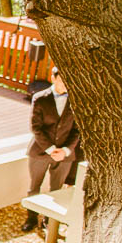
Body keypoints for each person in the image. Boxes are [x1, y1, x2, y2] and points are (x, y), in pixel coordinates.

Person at [24, 66, 80, 231]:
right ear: (54, 78)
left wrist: (65, 150)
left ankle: (49, 221)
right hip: (40, 151)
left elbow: (77, 130)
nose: (65, 84)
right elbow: (36, 127)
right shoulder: (40, 98)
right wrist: (51, 149)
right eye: (62, 80)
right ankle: (31, 218)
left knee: (56, 190)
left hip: (65, 154)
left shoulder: (75, 100)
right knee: (34, 186)